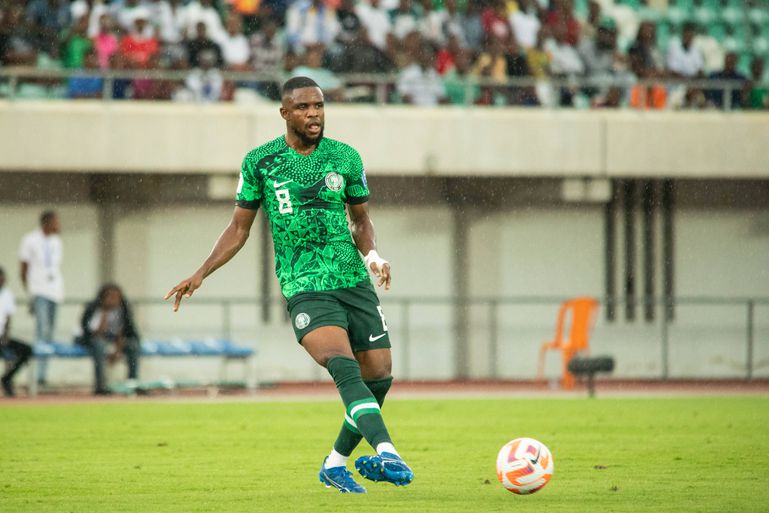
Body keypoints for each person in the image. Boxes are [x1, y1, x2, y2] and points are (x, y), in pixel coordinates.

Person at [165, 76, 414, 493]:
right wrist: (201, 272)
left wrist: (372, 256)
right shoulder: (260, 162)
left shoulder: (345, 157)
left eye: (318, 106)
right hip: (304, 284)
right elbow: (238, 228)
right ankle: (388, 451)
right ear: (284, 113)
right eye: (303, 107)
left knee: (379, 376)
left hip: (353, 280)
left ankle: (334, 464)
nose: (313, 114)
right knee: (341, 362)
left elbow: (361, 219)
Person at [19, 211, 63, 387]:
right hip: (38, 290)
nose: (59, 225)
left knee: (50, 333)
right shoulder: (30, 239)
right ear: (47, 222)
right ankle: (36, 376)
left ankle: (43, 375)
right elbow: (24, 268)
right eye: (56, 222)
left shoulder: (56, 241)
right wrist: (30, 292)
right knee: (42, 330)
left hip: (55, 291)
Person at [77, 284, 140, 395]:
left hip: (115, 340)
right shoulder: (93, 308)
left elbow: (127, 331)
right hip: (92, 339)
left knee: (133, 345)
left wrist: (118, 350)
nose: (114, 301)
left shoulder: (124, 309)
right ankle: (101, 386)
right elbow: (92, 333)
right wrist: (105, 314)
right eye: (111, 297)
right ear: (102, 298)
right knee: (99, 345)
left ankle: (133, 383)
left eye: (117, 298)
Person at [0, 267, 33, 397]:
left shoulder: (7, 294)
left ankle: (7, 378)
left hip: (2, 337)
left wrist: (5, 336)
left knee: (27, 350)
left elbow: (8, 318)